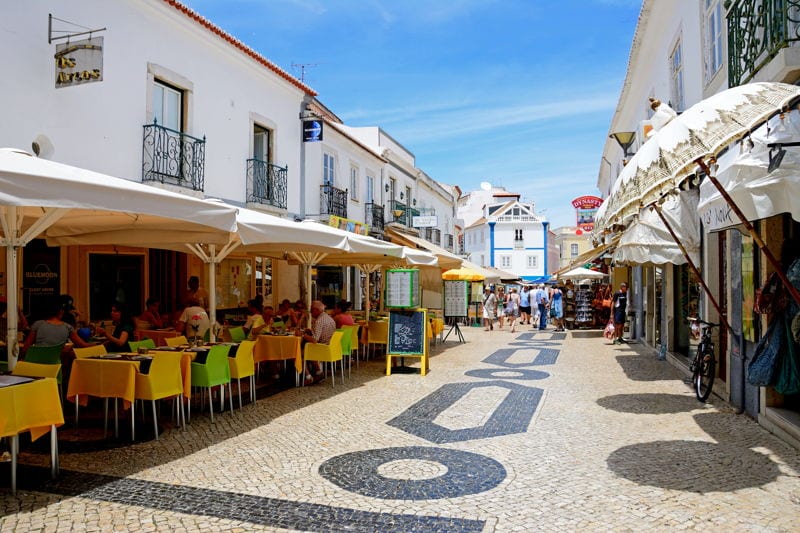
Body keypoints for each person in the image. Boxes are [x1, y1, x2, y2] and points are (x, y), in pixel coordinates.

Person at [23, 296, 91, 351]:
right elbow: (82, 345)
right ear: (61, 311)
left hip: (34, 364)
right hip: (55, 366)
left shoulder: (38, 324)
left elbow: (26, 348)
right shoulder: (68, 327)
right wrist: (99, 344)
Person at [296, 300, 336, 384]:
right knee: (306, 347)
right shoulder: (329, 318)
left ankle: (308, 377)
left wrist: (303, 334)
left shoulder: (319, 321)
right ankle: (318, 372)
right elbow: (319, 335)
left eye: (311, 310)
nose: (310, 313)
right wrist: (310, 331)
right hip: (330, 347)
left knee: (299, 353)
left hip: (321, 348)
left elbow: (314, 340)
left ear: (316, 310)